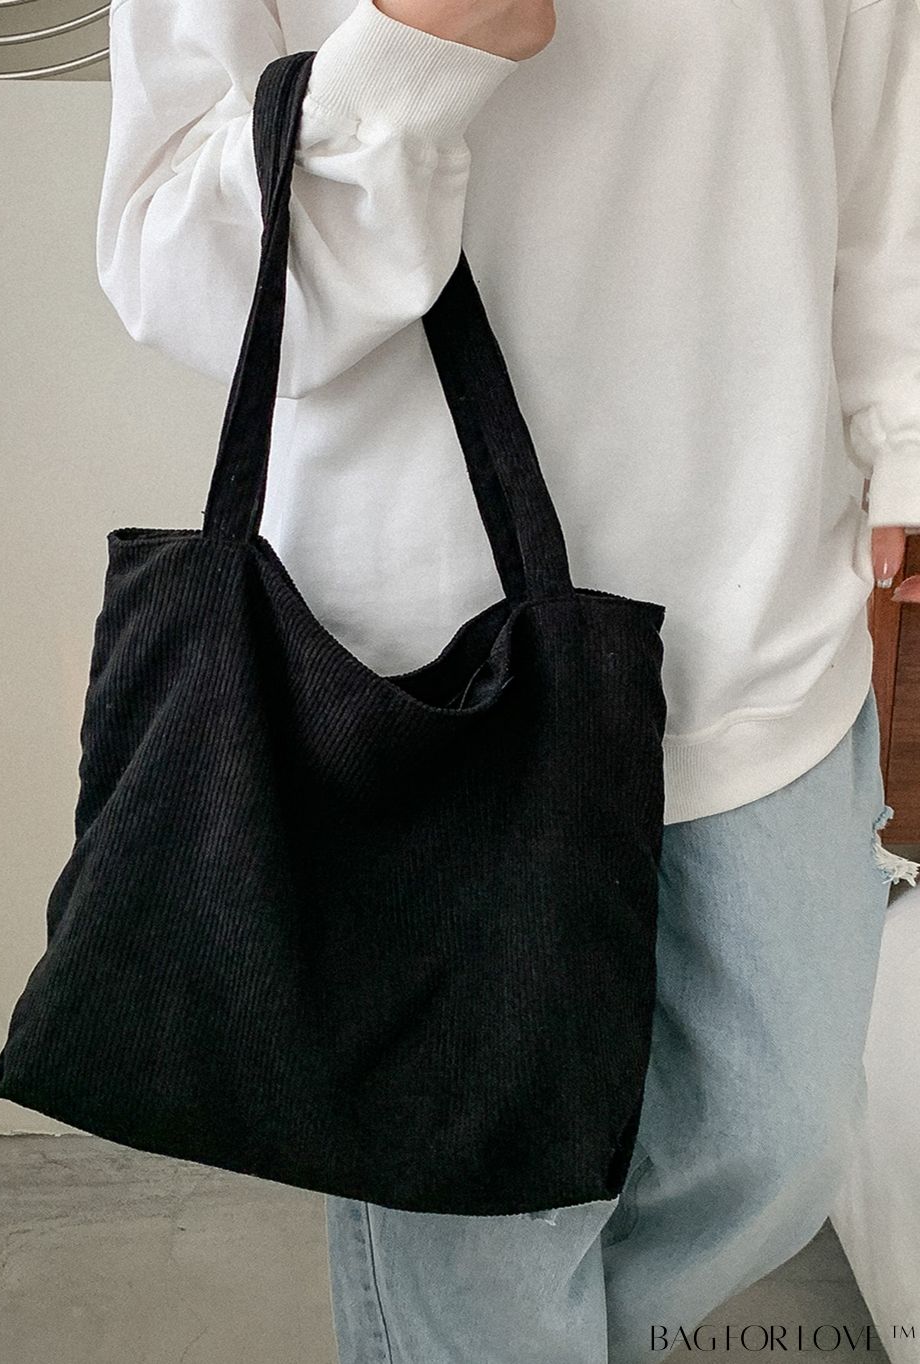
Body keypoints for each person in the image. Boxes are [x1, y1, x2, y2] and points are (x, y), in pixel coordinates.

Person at [94, 0, 920, 1357]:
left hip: (764, 609)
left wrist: (902, 430)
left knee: (776, 1145)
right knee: (481, 1254)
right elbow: (179, 276)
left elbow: (885, 131)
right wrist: (413, 52)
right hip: (422, 676)